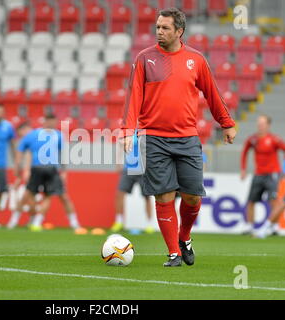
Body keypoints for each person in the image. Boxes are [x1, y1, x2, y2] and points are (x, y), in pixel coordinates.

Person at [121, 8, 237, 267]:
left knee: (193, 197)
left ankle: (184, 237)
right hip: (154, 138)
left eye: (165, 28)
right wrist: (128, 130)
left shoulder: (195, 59)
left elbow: (212, 93)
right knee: (163, 196)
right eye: (157, 27)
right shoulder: (144, 59)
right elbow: (133, 97)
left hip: (187, 138)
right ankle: (173, 252)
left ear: (179, 31)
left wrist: (226, 123)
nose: (159, 32)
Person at [12, 114, 84, 233]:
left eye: (54, 122)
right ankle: (21, 221)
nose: (52, 124)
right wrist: (19, 167)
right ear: (45, 121)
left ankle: (73, 222)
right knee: (30, 195)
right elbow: (21, 150)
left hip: (51, 169)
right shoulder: (33, 134)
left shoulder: (58, 135)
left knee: (60, 196)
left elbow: (62, 154)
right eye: (50, 121)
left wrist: (64, 171)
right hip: (37, 168)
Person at [240, 115, 285, 235]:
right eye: (259, 123)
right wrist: (243, 169)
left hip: (272, 173)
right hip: (258, 173)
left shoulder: (274, 139)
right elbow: (244, 152)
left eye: (262, 124)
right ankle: (250, 226)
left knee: (273, 201)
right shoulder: (253, 139)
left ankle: (274, 226)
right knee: (251, 201)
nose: (260, 126)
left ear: (268, 125)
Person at [112, 132, 154, 234]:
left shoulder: (147, 132)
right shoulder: (129, 132)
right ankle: (119, 222)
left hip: (143, 169)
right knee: (120, 193)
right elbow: (120, 145)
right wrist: (118, 163)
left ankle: (149, 224)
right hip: (129, 168)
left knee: (146, 196)